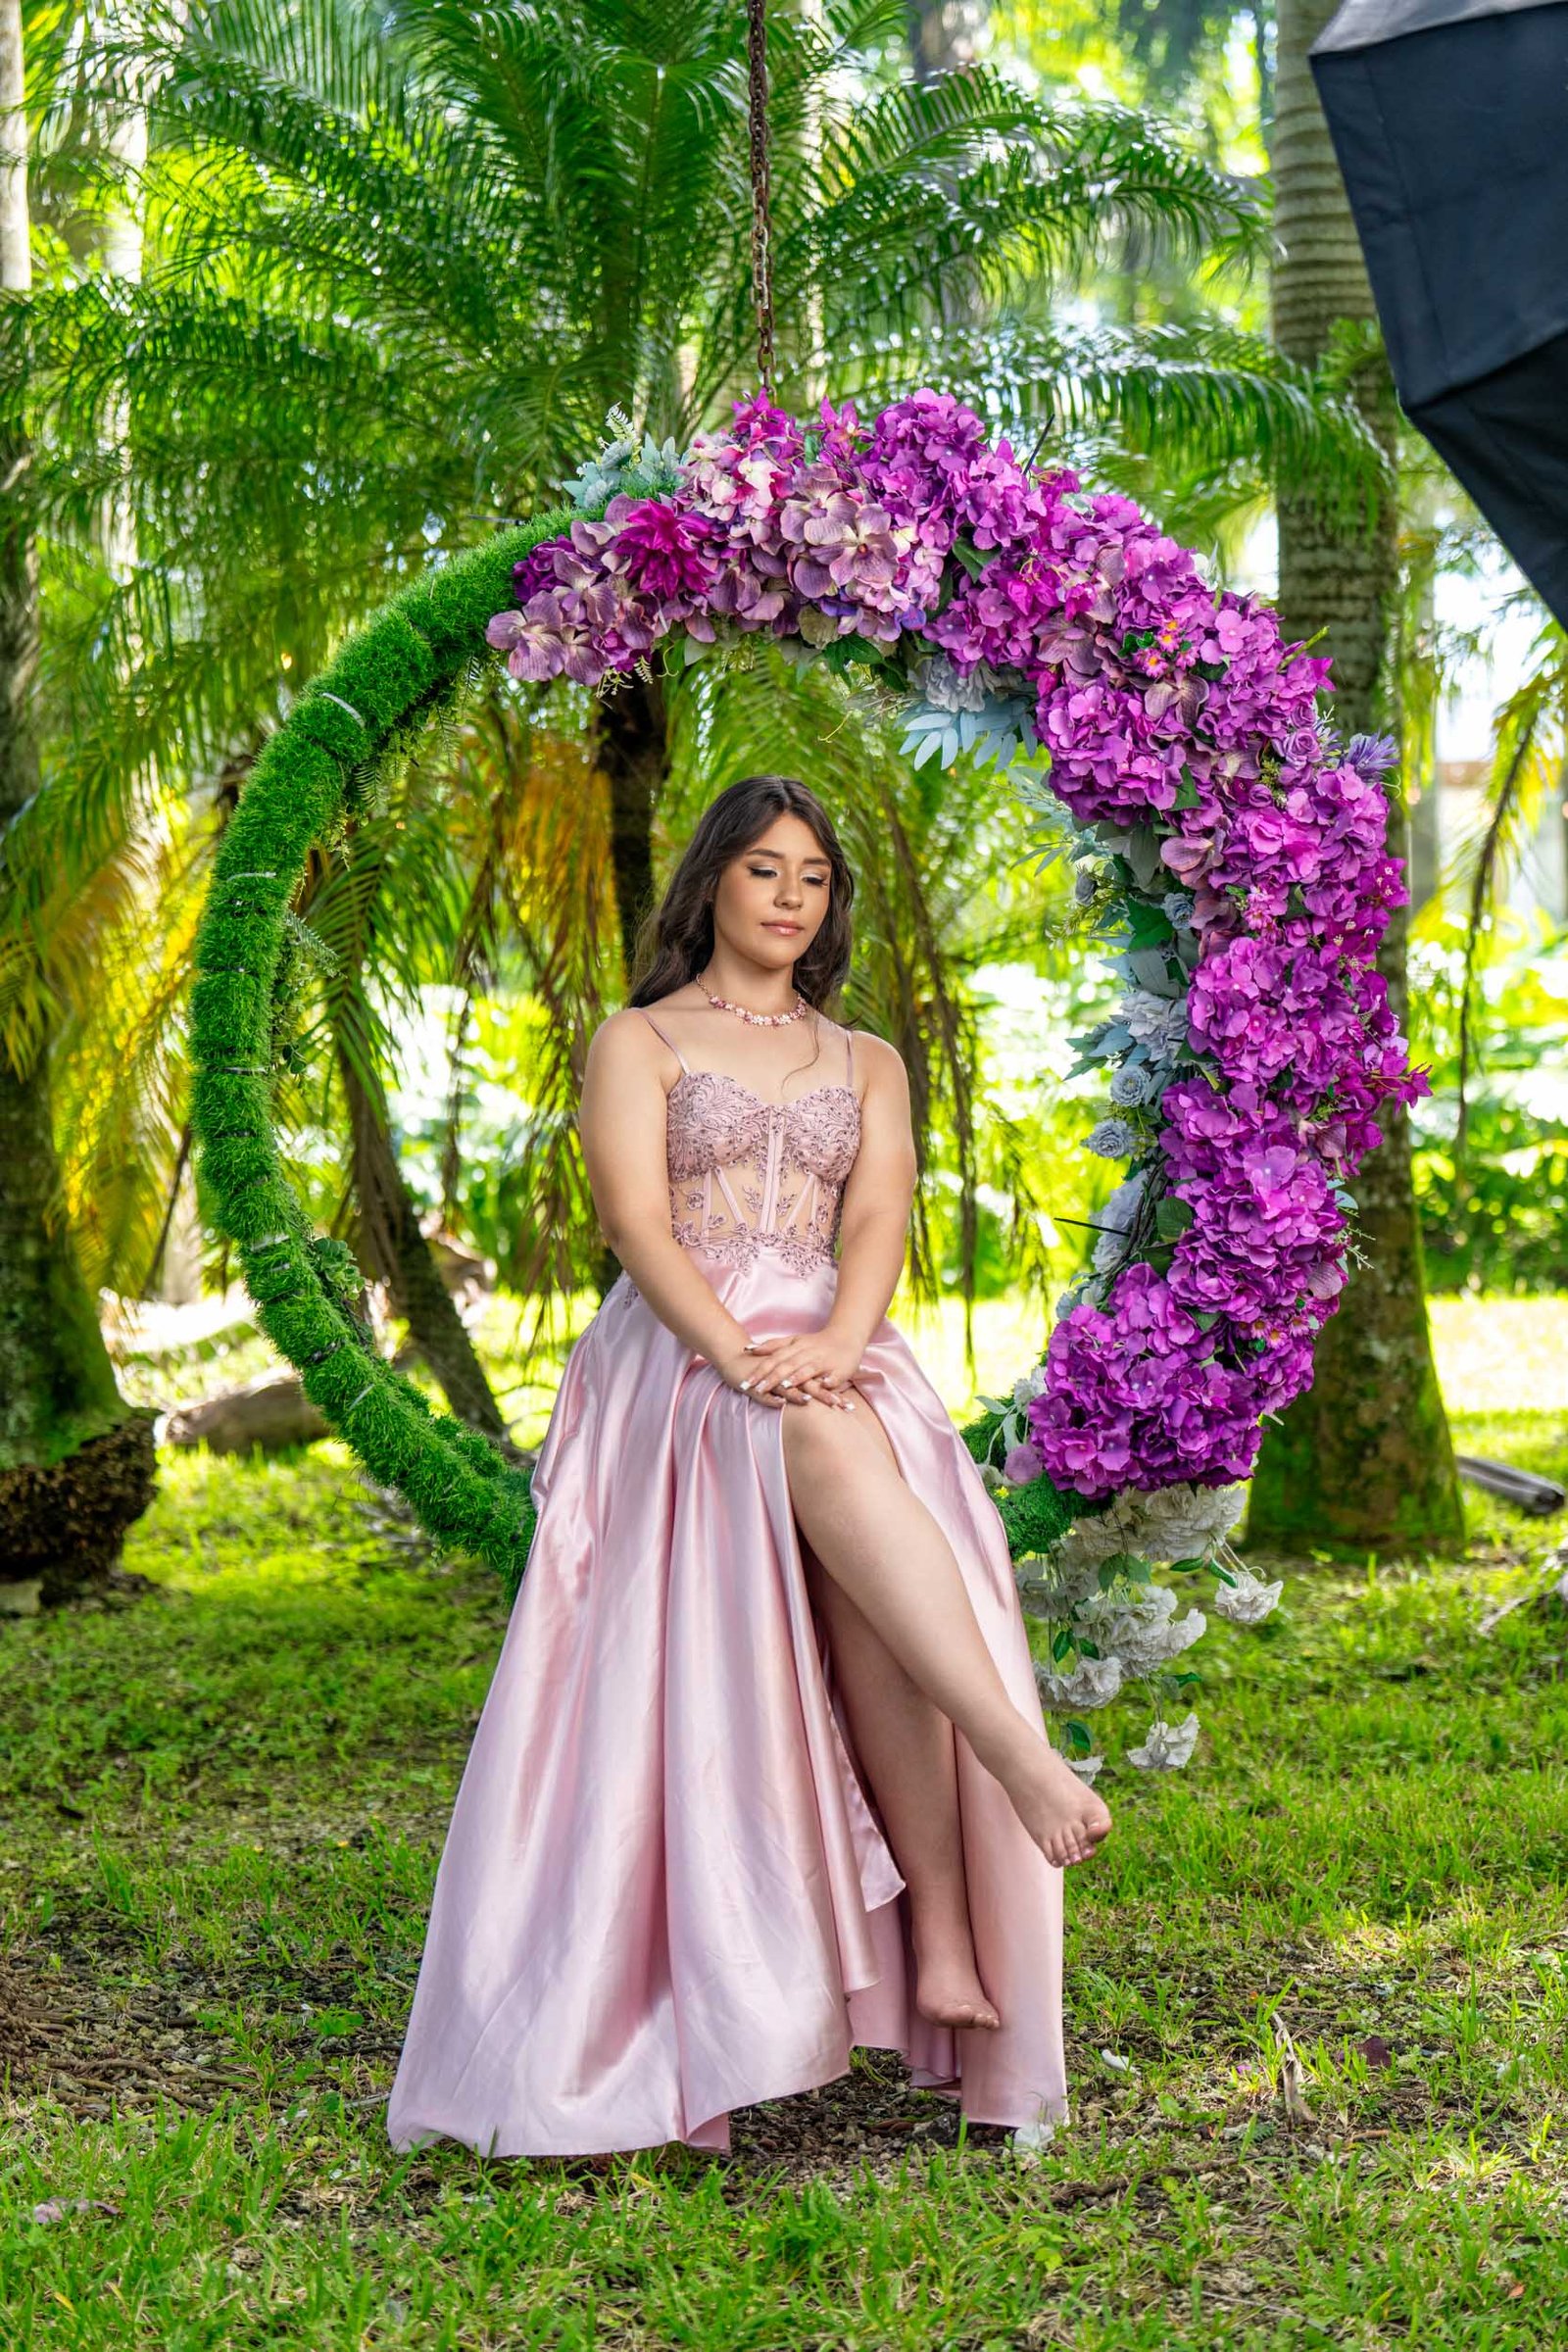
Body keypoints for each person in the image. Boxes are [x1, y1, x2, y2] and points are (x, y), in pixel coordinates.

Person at [385, 772, 1110, 2162]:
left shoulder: (867, 1060)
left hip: (833, 1349)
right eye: (766, 869)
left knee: (863, 1544)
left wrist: (835, 1341)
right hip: (679, 1358)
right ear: (713, 879)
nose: (791, 897)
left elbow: (879, 1218)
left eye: (815, 878)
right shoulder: (641, 1039)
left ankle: (946, 1928)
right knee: (824, 1448)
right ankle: (1019, 1765)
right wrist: (737, 1353)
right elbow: (634, 1223)